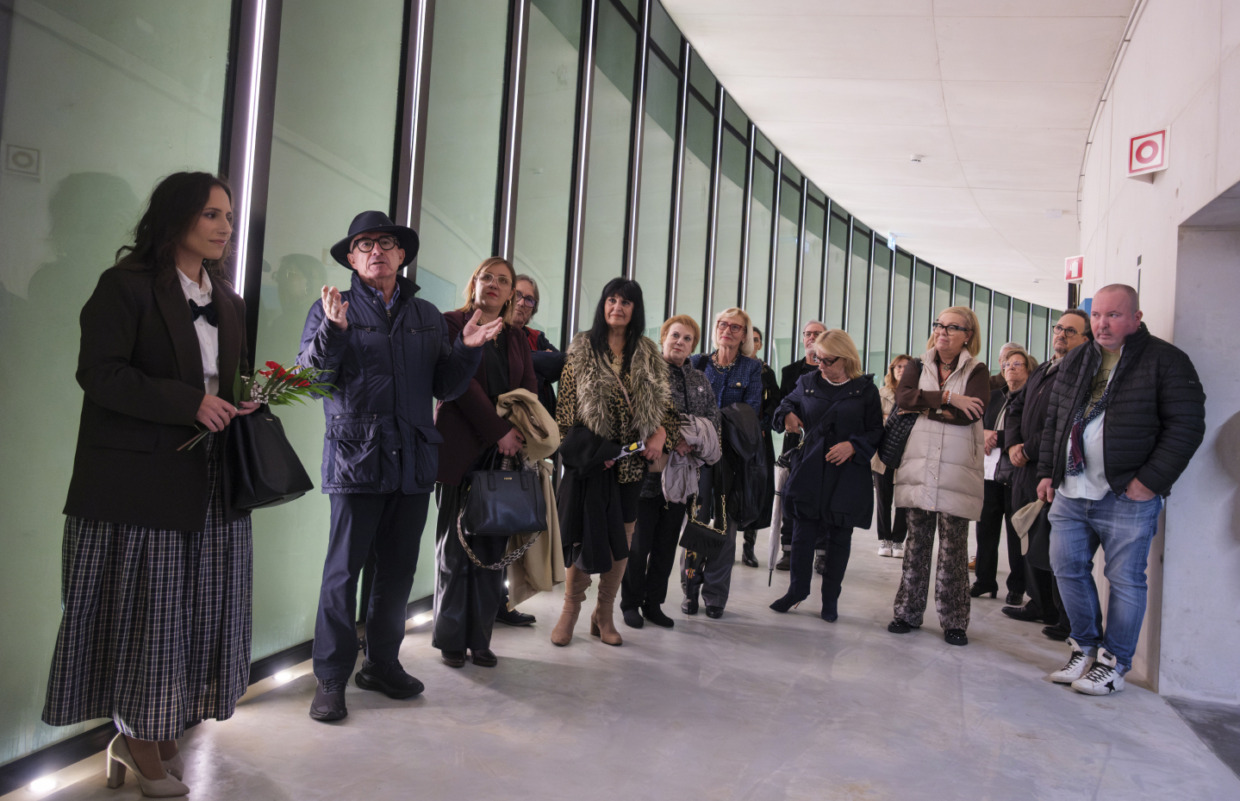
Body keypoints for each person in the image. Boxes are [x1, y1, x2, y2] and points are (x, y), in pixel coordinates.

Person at [43, 172, 258, 797]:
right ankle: (138, 737)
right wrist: (189, 403)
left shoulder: (229, 300)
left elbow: (230, 380)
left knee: (196, 611)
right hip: (138, 483)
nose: (225, 227)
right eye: (212, 214)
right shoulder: (125, 285)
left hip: (212, 480)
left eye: (228, 216)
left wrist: (245, 400)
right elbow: (100, 373)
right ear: (176, 217)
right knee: (152, 613)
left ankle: (159, 726)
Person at [299, 211, 501, 722]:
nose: (377, 252)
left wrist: (467, 350)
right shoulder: (332, 309)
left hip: (412, 462)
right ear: (351, 258)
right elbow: (313, 380)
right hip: (356, 461)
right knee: (342, 575)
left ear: (402, 255)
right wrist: (334, 331)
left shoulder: (426, 314)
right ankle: (331, 677)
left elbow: (445, 386)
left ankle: (382, 664)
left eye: (386, 243)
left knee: (396, 572)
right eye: (365, 244)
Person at [1037, 285, 1205, 695]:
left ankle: (1114, 663)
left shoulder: (1166, 360)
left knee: (1125, 580)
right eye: (1097, 315)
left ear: (1136, 317)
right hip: (1071, 489)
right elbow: (1055, 418)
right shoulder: (1079, 357)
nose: (1102, 324)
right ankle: (1084, 648)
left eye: (1113, 315)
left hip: (1126, 496)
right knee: (1066, 568)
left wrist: (1150, 481)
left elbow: (1186, 427)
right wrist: (1047, 471)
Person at [551, 277, 674, 646]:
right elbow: (565, 413)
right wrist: (590, 454)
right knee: (582, 536)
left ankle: (604, 613)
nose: (617, 307)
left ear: (635, 310)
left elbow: (666, 408)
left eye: (625, 302)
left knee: (622, 539)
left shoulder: (649, 352)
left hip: (630, 466)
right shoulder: (582, 348)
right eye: (612, 300)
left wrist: (661, 434)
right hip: (591, 465)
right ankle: (570, 610)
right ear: (603, 305)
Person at [432, 258, 537, 667]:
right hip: (460, 451)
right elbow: (461, 388)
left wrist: (516, 432)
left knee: (492, 552)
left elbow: (527, 389)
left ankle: (480, 639)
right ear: (474, 282)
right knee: (454, 551)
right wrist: (499, 430)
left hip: (502, 457)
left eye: (503, 281)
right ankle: (451, 639)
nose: (494, 284)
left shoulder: (515, 337)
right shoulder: (451, 324)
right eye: (487, 277)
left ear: (511, 293)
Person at [887, 306, 989, 647]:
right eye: (939, 325)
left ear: (968, 335)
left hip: (957, 470)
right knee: (916, 543)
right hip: (918, 465)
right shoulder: (917, 364)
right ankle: (906, 613)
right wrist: (948, 398)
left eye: (952, 327)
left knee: (953, 550)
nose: (942, 332)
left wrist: (924, 407)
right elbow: (903, 397)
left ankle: (954, 622)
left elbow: (970, 414)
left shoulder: (977, 370)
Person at [771, 330, 883, 621]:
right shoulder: (808, 382)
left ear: (846, 358)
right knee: (802, 534)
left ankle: (830, 599)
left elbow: (876, 431)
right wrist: (787, 414)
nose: (819, 365)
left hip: (847, 474)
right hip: (810, 469)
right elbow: (785, 404)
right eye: (816, 358)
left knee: (839, 538)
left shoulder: (865, 389)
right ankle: (797, 591)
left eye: (827, 360)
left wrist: (853, 446)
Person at [621, 315, 720, 630]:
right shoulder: (647, 372)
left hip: (682, 476)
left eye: (687, 338)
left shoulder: (700, 380)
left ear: (694, 345)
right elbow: (639, 416)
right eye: (675, 335)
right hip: (647, 473)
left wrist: (692, 441)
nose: (680, 342)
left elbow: (713, 422)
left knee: (665, 547)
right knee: (639, 546)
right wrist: (676, 435)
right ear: (663, 337)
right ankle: (630, 603)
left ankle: (654, 604)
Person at [1003, 310, 1092, 637]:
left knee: (1055, 546)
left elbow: (1065, 423)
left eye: (1070, 331)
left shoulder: (1081, 374)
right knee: (1028, 537)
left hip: (1052, 468)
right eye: (1059, 328)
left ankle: (1064, 617)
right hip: (1025, 469)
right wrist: (1013, 444)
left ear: (1085, 339)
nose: (1061, 334)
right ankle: (1038, 603)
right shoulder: (1043, 369)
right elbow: (1015, 408)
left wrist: (1027, 448)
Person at [683, 307, 764, 618]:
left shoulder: (752, 369)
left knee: (725, 527)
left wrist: (707, 421)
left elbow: (751, 412)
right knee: (696, 522)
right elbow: (684, 406)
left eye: (735, 327)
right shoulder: (697, 363)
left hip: (732, 460)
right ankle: (690, 590)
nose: (727, 331)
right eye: (722, 325)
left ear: (744, 335)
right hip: (696, 458)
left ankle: (715, 596)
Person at [972, 346, 1036, 603]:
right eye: (1007, 364)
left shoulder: (1032, 398)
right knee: (985, 531)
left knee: (1015, 533)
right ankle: (984, 581)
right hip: (989, 474)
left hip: (1016, 476)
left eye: (1017, 364)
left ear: (1029, 369)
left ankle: (1017, 587)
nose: (1010, 368)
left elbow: (1027, 432)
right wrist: (983, 434)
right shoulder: (996, 396)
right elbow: (978, 424)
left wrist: (995, 437)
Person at [774, 320, 826, 569]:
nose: (811, 337)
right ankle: (789, 550)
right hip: (795, 442)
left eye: (817, 333)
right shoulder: (790, 371)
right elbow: (782, 405)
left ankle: (822, 552)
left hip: (824, 443)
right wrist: (787, 415)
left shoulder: (836, 370)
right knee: (790, 496)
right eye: (808, 334)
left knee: (822, 499)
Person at [743, 325, 781, 568]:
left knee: (757, 488)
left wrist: (763, 424)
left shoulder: (766, 372)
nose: (752, 343)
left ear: (760, 344)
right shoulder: (732, 367)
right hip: (734, 435)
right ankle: (722, 543)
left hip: (760, 436)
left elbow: (775, 403)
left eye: (756, 340)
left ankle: (749, 546)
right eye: (749, 339)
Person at [871, 354, 912, 558]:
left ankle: (898, 541)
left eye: (906, 366)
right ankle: (884, 539)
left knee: (904, 500)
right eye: (898, 366)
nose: (901, 370)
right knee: (883, 498)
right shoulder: (881, 393)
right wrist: (888, 419)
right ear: (892, 370)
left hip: (908, 454)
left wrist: (889, 418)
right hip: (883, 452)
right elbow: (873, 421)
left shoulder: (915, 395)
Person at [512, 273, 564, 419]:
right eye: (517, 295)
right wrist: (542, 358)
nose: (522, 303)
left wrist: (528, 360)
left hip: (542, 420)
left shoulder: (536, 336)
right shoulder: (494, 333)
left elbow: (562, 362)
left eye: (529, 299)